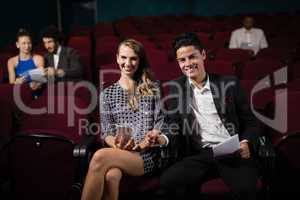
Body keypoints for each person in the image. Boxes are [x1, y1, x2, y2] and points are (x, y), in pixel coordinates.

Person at [160, 33, 260, 200]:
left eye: (192, 57)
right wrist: (162, 137)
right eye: (182, 60)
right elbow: (173, 125)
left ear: (203, 55)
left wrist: (245, 142)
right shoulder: (176, 88)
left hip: (232, 151)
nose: (188, 64)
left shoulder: (229, 83)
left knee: (246, 191)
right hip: (203, 154)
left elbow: (251, 123)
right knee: (168, 181)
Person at [81, 39, 168, 200]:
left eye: (133, 58)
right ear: (117, 58)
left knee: (99, 156)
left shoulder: (153, 88)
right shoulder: (107, 94)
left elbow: (160, 125)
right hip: (120, 152)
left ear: (139, 60)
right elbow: (106, 132)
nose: (128, 63)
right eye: (124, 57)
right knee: (111, 176)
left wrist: (141, 145)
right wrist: (118, 144)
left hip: (147, 155)